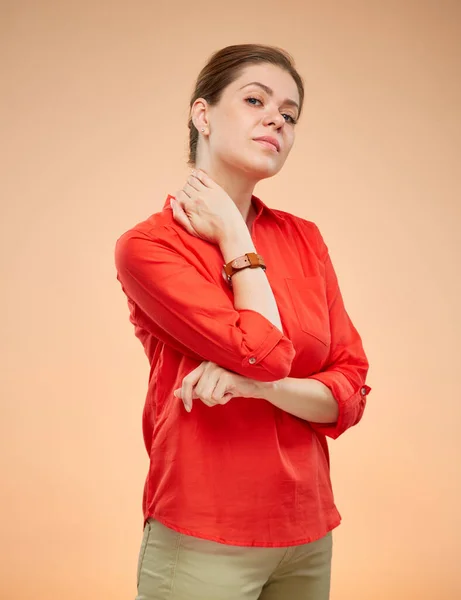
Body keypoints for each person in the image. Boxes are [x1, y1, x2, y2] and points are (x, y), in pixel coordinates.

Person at [115, 43, 371, 600]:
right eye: (255, 99)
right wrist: (235, 236)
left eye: (290, 114)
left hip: (307, 530)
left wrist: (256, 388)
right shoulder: (149, 247)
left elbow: (349, 390)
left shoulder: (305, 239)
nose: (276, 118)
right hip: (204, 531)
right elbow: (265, 349)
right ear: (202, 115)